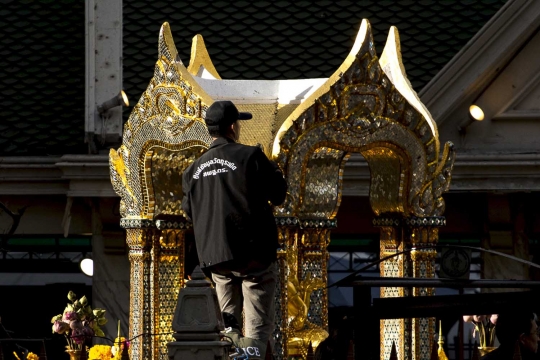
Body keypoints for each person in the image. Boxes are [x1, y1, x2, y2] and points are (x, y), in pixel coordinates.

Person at [181, 100, 287, 359]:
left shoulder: (192, 171)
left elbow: (189, 211)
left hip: (216, 258)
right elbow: (279, 194)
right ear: (232, 126)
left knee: (228, 327)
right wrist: (273, 169)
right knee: (257, 325)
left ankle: (233, 349)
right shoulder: (250, 156)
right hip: (253, 256)